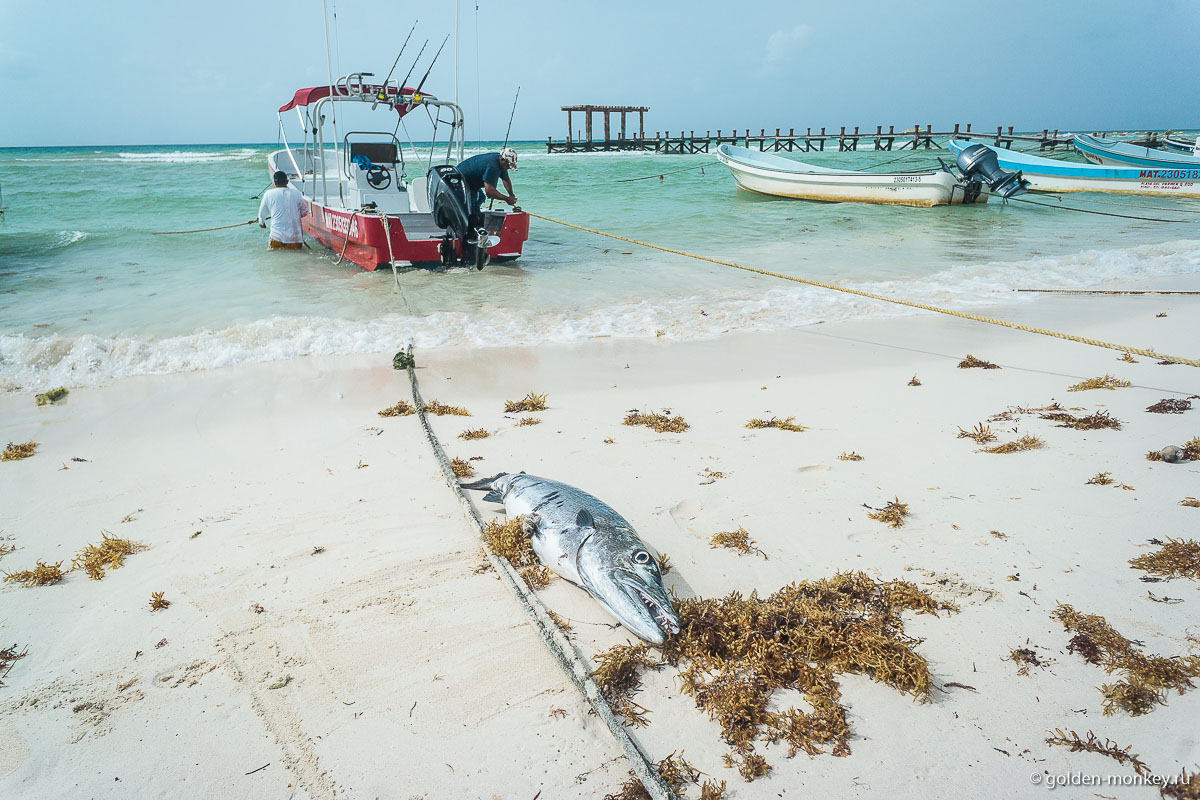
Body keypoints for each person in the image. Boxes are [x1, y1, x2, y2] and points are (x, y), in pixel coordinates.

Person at [455, 147, 518, 219]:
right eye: (508, 166)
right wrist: (507, 199)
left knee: (481, 197)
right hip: (462, 181)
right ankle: (470, 221)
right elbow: (489, 191)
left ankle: (471, 213)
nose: (508, 168)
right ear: (502, 159)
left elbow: (506, 179)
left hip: (473, 183)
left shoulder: (501, 163)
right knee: (473, 206)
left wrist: (511, 195)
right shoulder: (493, 166)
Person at [258, 170, 308, 250]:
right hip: (295, 239)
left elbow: (261, 215)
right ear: (287, 182)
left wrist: (261, 223)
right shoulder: (296, 193)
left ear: (274, 183)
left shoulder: (268, 194)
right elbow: (304, 212)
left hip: (276, 238)